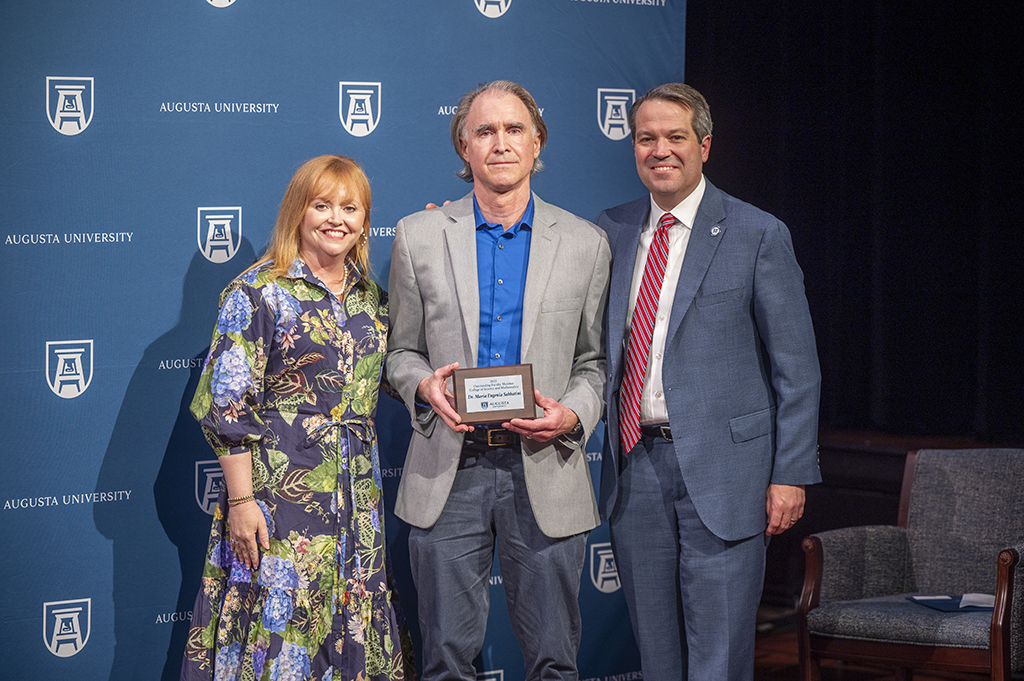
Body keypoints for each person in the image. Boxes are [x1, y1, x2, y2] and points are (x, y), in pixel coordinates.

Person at [595, 83, 821, 681]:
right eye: (647, 138)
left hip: (728, 475)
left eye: (675, 137)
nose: (660, 150)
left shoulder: (757, 233)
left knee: (719, 657)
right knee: (656, 654)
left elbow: (796, 367)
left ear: (705, 145)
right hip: (633, 466)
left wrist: (790, 472)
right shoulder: (611, 230)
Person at [386, 80, 610, 681]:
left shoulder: (587, 244)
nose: (501, 143)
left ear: (538, 143)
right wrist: (423, 386)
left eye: (515, 130)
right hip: (447, 470)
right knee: (443, 663)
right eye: (485, 131)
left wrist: (572, 414)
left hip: (545, 468)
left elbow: (596, 364)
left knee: (555, 664)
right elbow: (399, 352)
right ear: (464, 146)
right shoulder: (418, 236)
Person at [181, 155, 414, 681]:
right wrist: (241, 502)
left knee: (355, 619)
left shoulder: (372, 299)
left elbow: (391, 377)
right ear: (298, 211)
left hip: (358, 502)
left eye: (350, 208)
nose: (337, 219)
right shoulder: (258, 292)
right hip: (279, 499)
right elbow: (227, 407)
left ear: (365, 220)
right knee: (282, 625)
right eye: (322, 205)